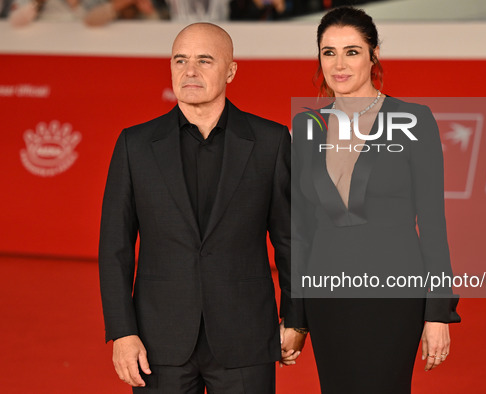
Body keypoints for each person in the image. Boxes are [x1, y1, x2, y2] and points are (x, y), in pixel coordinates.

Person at [99, 23, 306, 393]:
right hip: (157, 340)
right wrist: (122, 332)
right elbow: (114, 248)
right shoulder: (135, 144)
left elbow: (292, 239)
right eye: (180, 60)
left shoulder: (271, 141)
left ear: (230, 70)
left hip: (245, 335)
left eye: (204, 60)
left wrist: (296, 319)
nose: (189, 71)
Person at [291, 6, 460, 393]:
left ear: (374, 53)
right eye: (328, 52)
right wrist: (296, 314)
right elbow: (300, 228)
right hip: (326, 295)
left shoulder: (413, 120)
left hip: (392, 294)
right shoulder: (306, 126)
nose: (339, 63)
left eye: (351, 51)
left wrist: (438, 313)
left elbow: (433, 224)